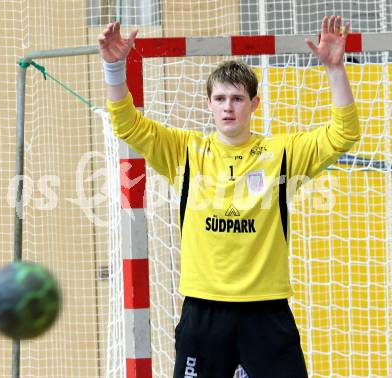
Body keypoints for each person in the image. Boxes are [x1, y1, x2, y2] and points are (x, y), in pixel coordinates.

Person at [98, 15, 360, 378]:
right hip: (204, 311)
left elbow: (343, 134)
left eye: (237, 98)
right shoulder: (184, 151)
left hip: (266, 311)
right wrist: (113, 67)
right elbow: (127, 124)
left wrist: (334, 69)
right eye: (220, 98)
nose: (228, 106)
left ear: (254, 104)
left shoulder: (283, 153)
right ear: (208, 103)